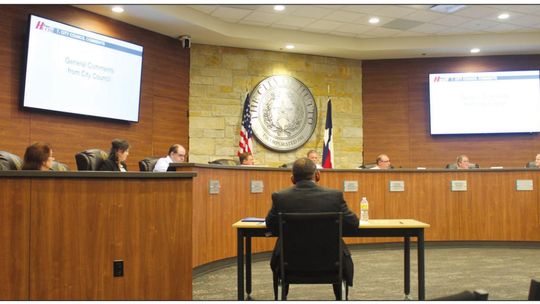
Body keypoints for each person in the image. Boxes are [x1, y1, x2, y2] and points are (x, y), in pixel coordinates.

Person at [265, 157, 359, 299]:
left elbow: (270, 225)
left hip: (289, 264)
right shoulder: (334, 197)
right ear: (317, 175)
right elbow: (353, 224)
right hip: (332, 263)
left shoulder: (280, 197)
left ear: (292, 179)